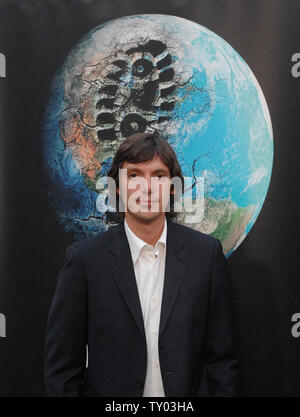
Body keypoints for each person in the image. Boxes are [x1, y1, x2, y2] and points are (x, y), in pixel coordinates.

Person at [44, 131, 238, 397]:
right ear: (118, 187)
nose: (147, 186)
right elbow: (62, 370)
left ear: (172, 187)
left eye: (158, 175)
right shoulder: (84, 261)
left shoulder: (205, 255)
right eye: (134, 175)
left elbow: (222, 361)